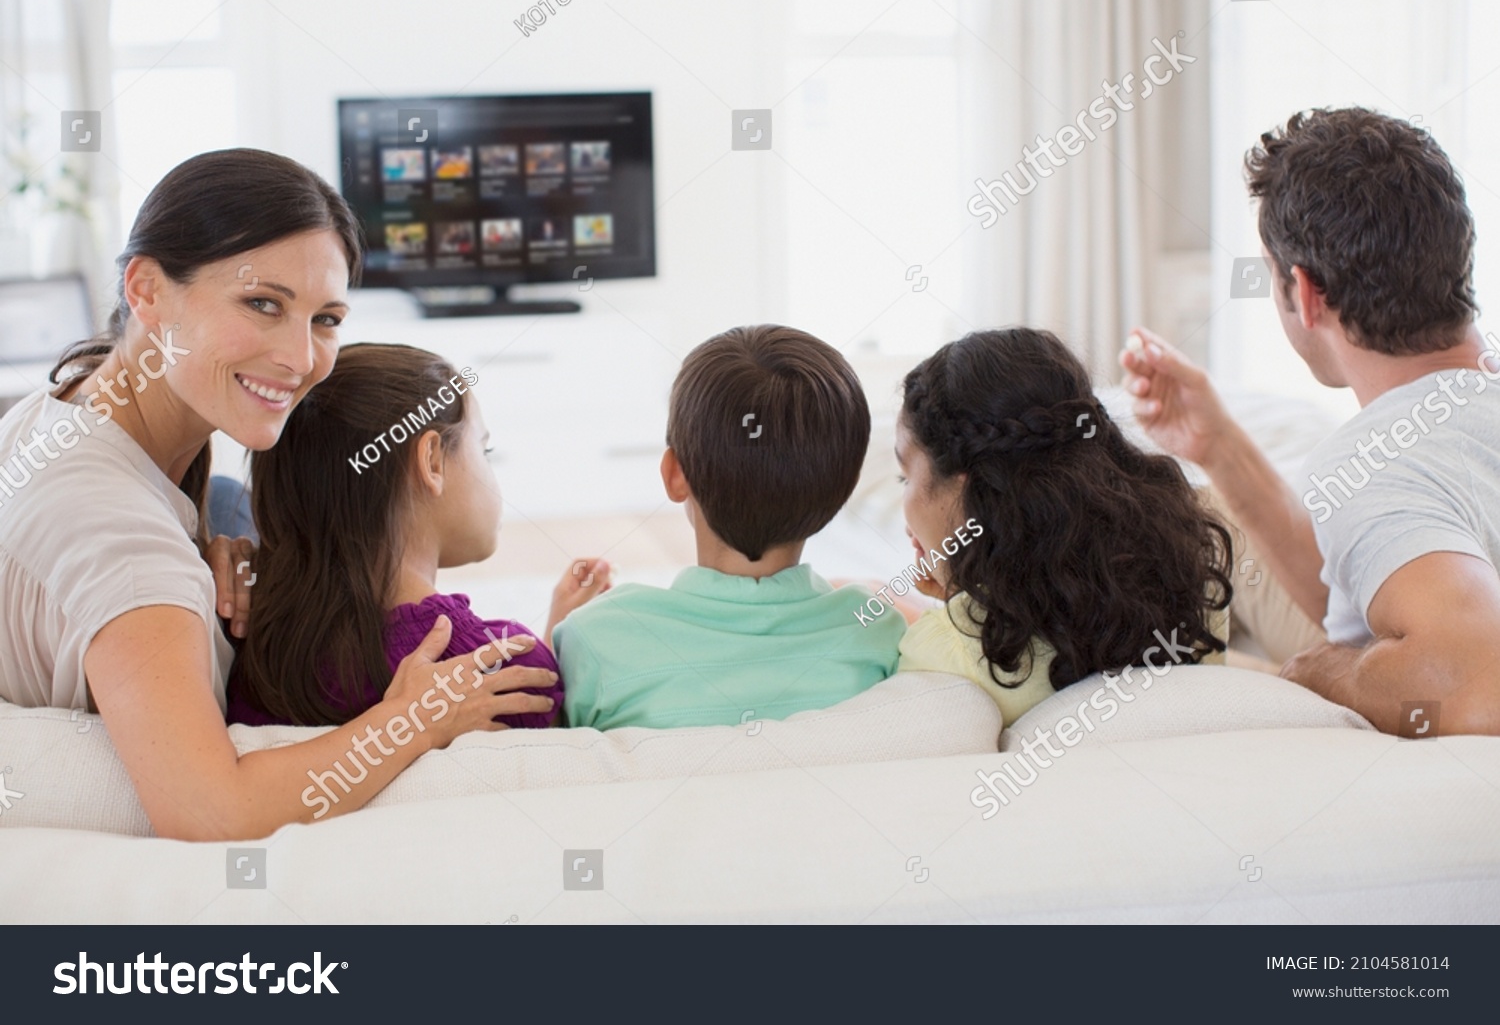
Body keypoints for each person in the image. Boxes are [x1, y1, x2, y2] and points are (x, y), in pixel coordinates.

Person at [0, 149, 558, 840]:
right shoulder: (129, 551)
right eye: (262, 304)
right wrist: (412, 719)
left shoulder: (82, 396)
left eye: (326, 319)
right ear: (145, 289)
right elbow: (211, 809)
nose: (301, 360)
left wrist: (209, 550)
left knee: (231, 499)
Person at [1121, 107, 1500, 736]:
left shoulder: (1376, 468)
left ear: (1304, 292)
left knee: (1181, 537)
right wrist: (1216, 443)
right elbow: (1377, 586)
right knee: (1208, 506)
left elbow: (1476, 688)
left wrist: (1324, 672)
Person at [227, 342, 608, 728]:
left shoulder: (252, 652)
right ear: (431, 462)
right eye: (484, 449)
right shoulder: (506, 672)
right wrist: (560, 659)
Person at [553, 325, 904, 729]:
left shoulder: (597, 637)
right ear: (844, 489)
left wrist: (553, 638)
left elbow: (550, 743)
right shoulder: (879, 635)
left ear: (674, 475)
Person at [895, 327, 1233, 726]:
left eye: (904, 477)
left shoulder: (943, 654)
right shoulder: (1196, 585)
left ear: (965, 486)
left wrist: (957, 610)